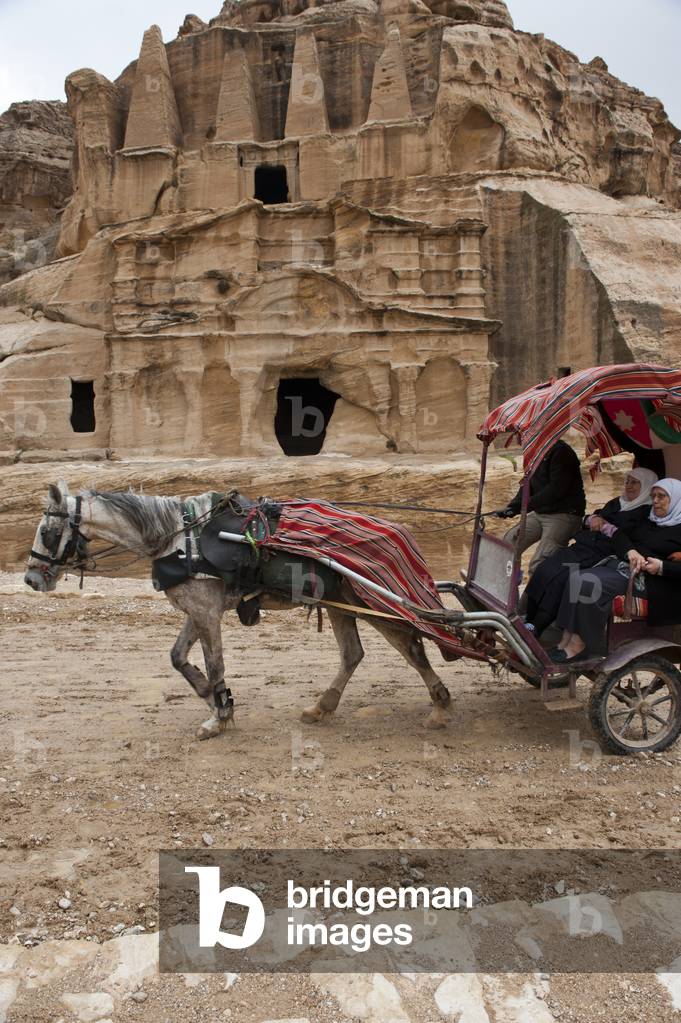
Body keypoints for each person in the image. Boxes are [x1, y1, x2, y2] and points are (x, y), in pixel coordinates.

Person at [552, 478, 681, 663]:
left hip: (655, 583)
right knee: (576, 577)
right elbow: (620, 534)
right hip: (626, 569)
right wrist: (631, 551)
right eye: (653, 496)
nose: (655, 501)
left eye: (662, 497)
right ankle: (566, 639)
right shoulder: (647, 515)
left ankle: (583, 644)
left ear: (676, 499)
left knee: (589, 584)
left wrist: (661, 567)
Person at [524, 468, 657, 637]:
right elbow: (589, 519)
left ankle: (537, 627)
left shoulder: (645, 513)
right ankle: (528, 618)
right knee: (544, 569)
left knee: (560, 579)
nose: (629, 486)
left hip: (601, 554)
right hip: (583, 546)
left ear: (646, 486)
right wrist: (593, 519)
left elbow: (626, 537)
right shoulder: (617, 502)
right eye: (627, 481)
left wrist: (605, 526)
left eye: (635, 483)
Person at [497, 439, 586, 576]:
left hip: (564, 513)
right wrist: (512, 507)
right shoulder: (535, 452)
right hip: (542, 512)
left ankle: (528, 598)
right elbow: (528, 484)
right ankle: (505, 589)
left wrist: (525, 505)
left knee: (540, 564)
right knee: (508, 544)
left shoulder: (561, 452)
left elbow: (556, 490)